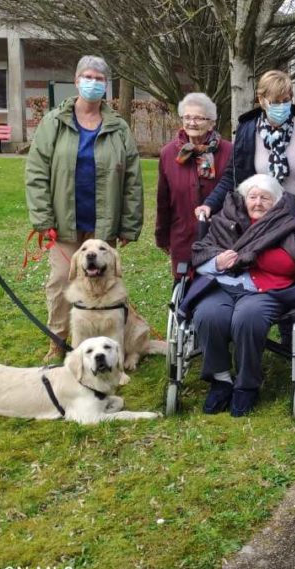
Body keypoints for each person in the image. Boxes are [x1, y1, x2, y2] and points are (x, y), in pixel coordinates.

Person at [25, 55, 144, 360]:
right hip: (64, 222)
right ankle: (59, 339)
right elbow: (36, 171)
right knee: (62, 280)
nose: (93, 83)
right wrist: (42, 217)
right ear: (76, 81)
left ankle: (104, 345)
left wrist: (129, 224)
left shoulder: (118, 127)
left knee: (104, 282)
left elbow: (132, 179)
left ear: (106, 85)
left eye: (99, 79)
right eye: (87, 77)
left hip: (104, 223)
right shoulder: (54, 122)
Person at [186, 174, 295, 417]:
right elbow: (201, 253)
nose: (258, 202)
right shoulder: (226, 220)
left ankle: (246, 385)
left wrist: (251, 257)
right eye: (253, 196)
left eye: (265, 198)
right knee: (208, 314)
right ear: (244, 199)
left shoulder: (289, 225)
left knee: (248, 318)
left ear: (276, 202)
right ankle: (221, 380)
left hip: (266, 290)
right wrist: (218, 261)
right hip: (222, 284)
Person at [196, 70, 295, 236]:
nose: (282, 107)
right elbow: (232, 176)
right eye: (275, 102)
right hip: (255, 222)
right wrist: (210, 204)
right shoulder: (247, 131)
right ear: (262, 100)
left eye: (286, 101)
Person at [156, 92, 232, 278]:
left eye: (198, 118)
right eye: (187, 117)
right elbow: (163, 200)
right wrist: (163, 237)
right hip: (183, 235)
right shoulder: (169, 153)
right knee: (183, 290)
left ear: (212, 122)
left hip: (221, 235)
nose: (192, 123)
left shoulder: (229, 151)